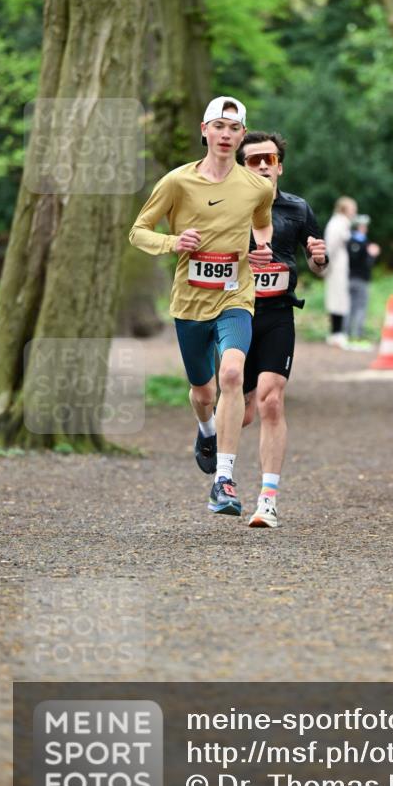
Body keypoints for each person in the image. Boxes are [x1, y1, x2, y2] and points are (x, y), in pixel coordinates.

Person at [129, 96, 274, 518]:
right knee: (203, 391)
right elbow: (138, 231)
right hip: (190, 302)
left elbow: (262, 225)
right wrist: (174, 242)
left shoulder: (257, 187)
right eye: (219, 126)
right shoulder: (177, 182)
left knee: (231, 373)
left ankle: (223, 480)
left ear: (242, 136)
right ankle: (206, 430)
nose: (226, 135)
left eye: (234, 128)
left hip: (236, 295)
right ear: (204, 130)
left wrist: (261, 249)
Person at [236, 131, 328, 528]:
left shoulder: (298, 208)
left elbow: (319, 266)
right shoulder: (227, 207)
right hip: (234, 313)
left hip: (277, 314)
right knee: (240, 413)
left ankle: (267, 500)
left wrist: (319, 259)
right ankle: (208, 431)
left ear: (280, 167)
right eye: (253, 159)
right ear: (242, 167)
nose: (262, 165)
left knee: (271, 401)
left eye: (269, 159)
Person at [324, 195, 357, 347]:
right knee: (336, 300)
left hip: (341, 267)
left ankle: (338, 332)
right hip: (335, 268)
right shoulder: (337, 224)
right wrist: (326, 267)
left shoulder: (343, 224)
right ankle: (336, 333)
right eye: (352, 209)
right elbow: (330, 248)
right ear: (344, 209)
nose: (354, 212)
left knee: (340, 299)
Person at [347, 214, 380, 346]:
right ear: (360, 227)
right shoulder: (364, 243)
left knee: (350, 307)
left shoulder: (348, 240)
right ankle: (358, 334)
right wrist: (372, 255)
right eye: (364, 226)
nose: (366, 229)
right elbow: (366, 264)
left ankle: (347, 333)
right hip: (361, 279)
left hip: (348, 278)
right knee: (360, 307)